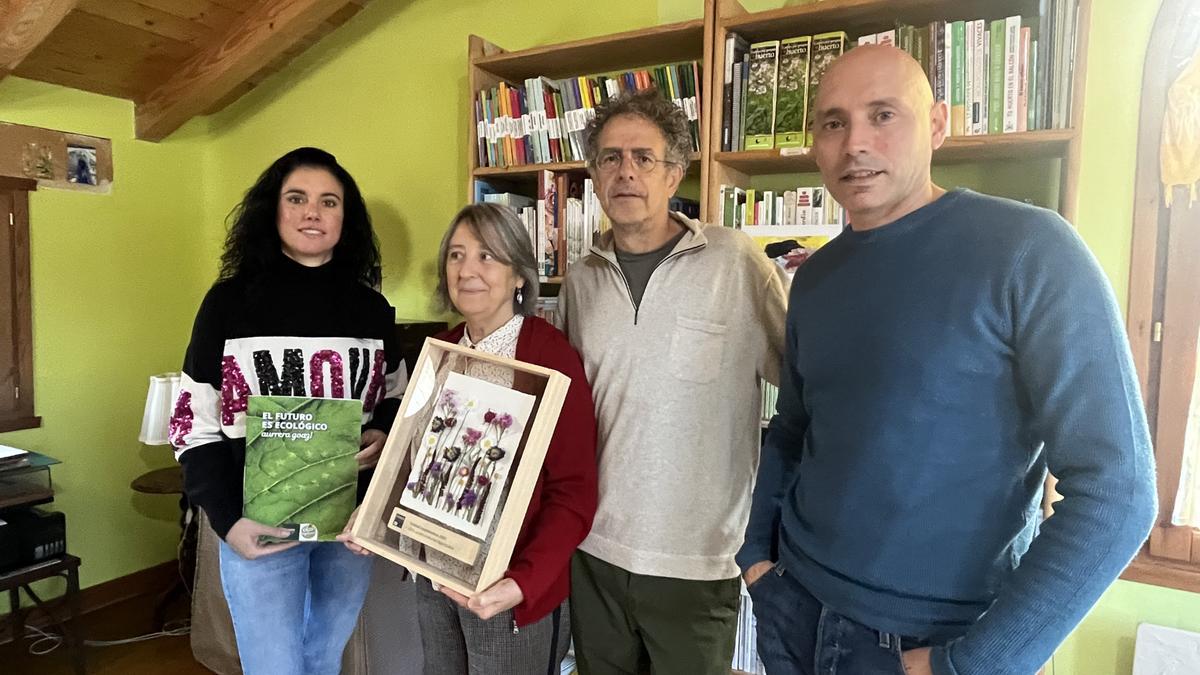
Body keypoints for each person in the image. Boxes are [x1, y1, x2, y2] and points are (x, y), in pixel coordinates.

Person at [737, 45, 1157, 675]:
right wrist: (756, 559)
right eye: (833, 122)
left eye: (883, 115)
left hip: (930, 642)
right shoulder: (816, 277)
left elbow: (1119, 493)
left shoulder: (1029, 250)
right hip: (794, 604)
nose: (855, 143)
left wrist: (978, 662)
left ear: (937, 124)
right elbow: (793, 428)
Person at [557, 88, 788, 674]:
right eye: (610, 158)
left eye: (643, 157)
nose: (625, 172)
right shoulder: (579, 282)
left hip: (698, 560)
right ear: (594, 174)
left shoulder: (736, 262)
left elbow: (808, 387)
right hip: (593, 550)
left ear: (675, 173)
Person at [170, 147, 405, 675]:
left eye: (329, 201)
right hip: (258, 522)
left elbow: (395, 396)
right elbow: (192, 420)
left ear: (347, 218)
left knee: (323, 658)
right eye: (296, 198)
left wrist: (383, 432)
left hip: (347, 523)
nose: (312, 213)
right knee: (273, 666)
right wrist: (227, 521)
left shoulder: (371, 308)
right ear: (272, 211)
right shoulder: (227, 303)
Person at [344, 203, 597, 674]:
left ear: (520, 276)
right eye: (457, 255)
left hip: (506, 585)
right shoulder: (440, 351)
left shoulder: (550, 358)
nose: (468, 270)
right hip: (433, 574)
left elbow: (575, 491)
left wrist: (524, 582)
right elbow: (412, 460)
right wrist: (373, 513)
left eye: (487, 256)